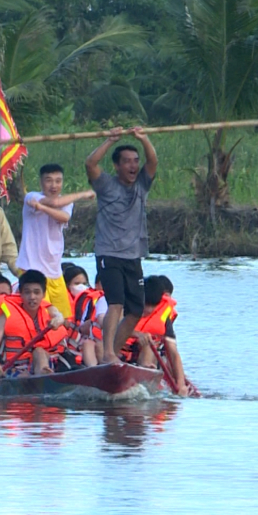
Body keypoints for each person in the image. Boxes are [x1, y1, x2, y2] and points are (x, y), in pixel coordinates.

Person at [85, 126, 157, 364]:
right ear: (117, 166)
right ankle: (107, 354)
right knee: (115, 302)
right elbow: (91, 164)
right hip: (109, 253)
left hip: (133, 255)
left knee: (135, 310)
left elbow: (153, 161)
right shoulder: (106, 184)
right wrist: (109, 140)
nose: (132, 166)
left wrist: (144, 139)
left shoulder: (141, 186)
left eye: (135, 161)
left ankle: (112, 353)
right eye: (126, 161)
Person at [15, 164, 95, 319]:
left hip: (54, 271)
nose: (54, 185)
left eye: (58, 181)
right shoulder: (32, 197)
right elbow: (54, 204)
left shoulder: (66, 203)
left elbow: (64, 217)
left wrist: (41, 208)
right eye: (49, 181)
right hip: (31, 267)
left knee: (65, 318)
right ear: (41, 182)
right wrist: (83, 194)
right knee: (41, 316)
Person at [0, 270, 68, 377]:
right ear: (20, 293)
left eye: (37, 292)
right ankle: (38, 381)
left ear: (43, 294)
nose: (32, 297)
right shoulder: (6, 315)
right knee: (24, 376)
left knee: (39, 351)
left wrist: (59, 320)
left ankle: (43, 375)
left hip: (43, 361)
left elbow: (59, 316)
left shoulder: (49, 310)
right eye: (27, 292)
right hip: (15, 366)